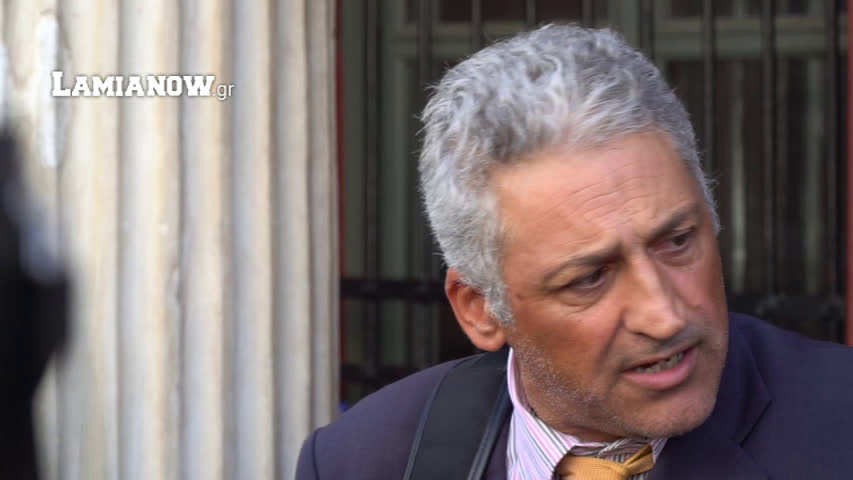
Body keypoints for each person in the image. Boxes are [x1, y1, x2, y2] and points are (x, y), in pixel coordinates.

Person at [296, 24, 853, 479]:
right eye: (590, 278)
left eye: (677, 242)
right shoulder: (358, 460)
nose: (664, 316)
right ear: (480, 309)